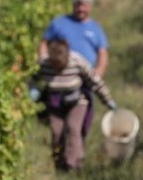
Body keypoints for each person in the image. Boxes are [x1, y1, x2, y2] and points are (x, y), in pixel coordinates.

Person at [30, 39, 117, 171]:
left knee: (73, 128)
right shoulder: (45, 64)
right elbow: (33, 78)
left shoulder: (77, 62)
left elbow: (95, 81)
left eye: (60, 65)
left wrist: (107, 100)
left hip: (77, 102)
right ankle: (59, 165)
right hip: (56, 103)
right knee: (56, 132)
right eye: (55, 66)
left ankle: (75, 165)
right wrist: (33, 90)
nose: (58, 69)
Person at [39, 0, 109, 140]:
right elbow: (44, 42)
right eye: (78, 5)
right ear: (73, 5)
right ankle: (62, 151)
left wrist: (98, 71)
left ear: (90, 7)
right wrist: (44, 60)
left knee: (77, 124)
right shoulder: (59, 23)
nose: (81, 9)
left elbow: (102, 52)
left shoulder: (95, 28)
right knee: (57, 122)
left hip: (83, 79)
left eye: (84, 6)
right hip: (60, 77)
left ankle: (74, 152)